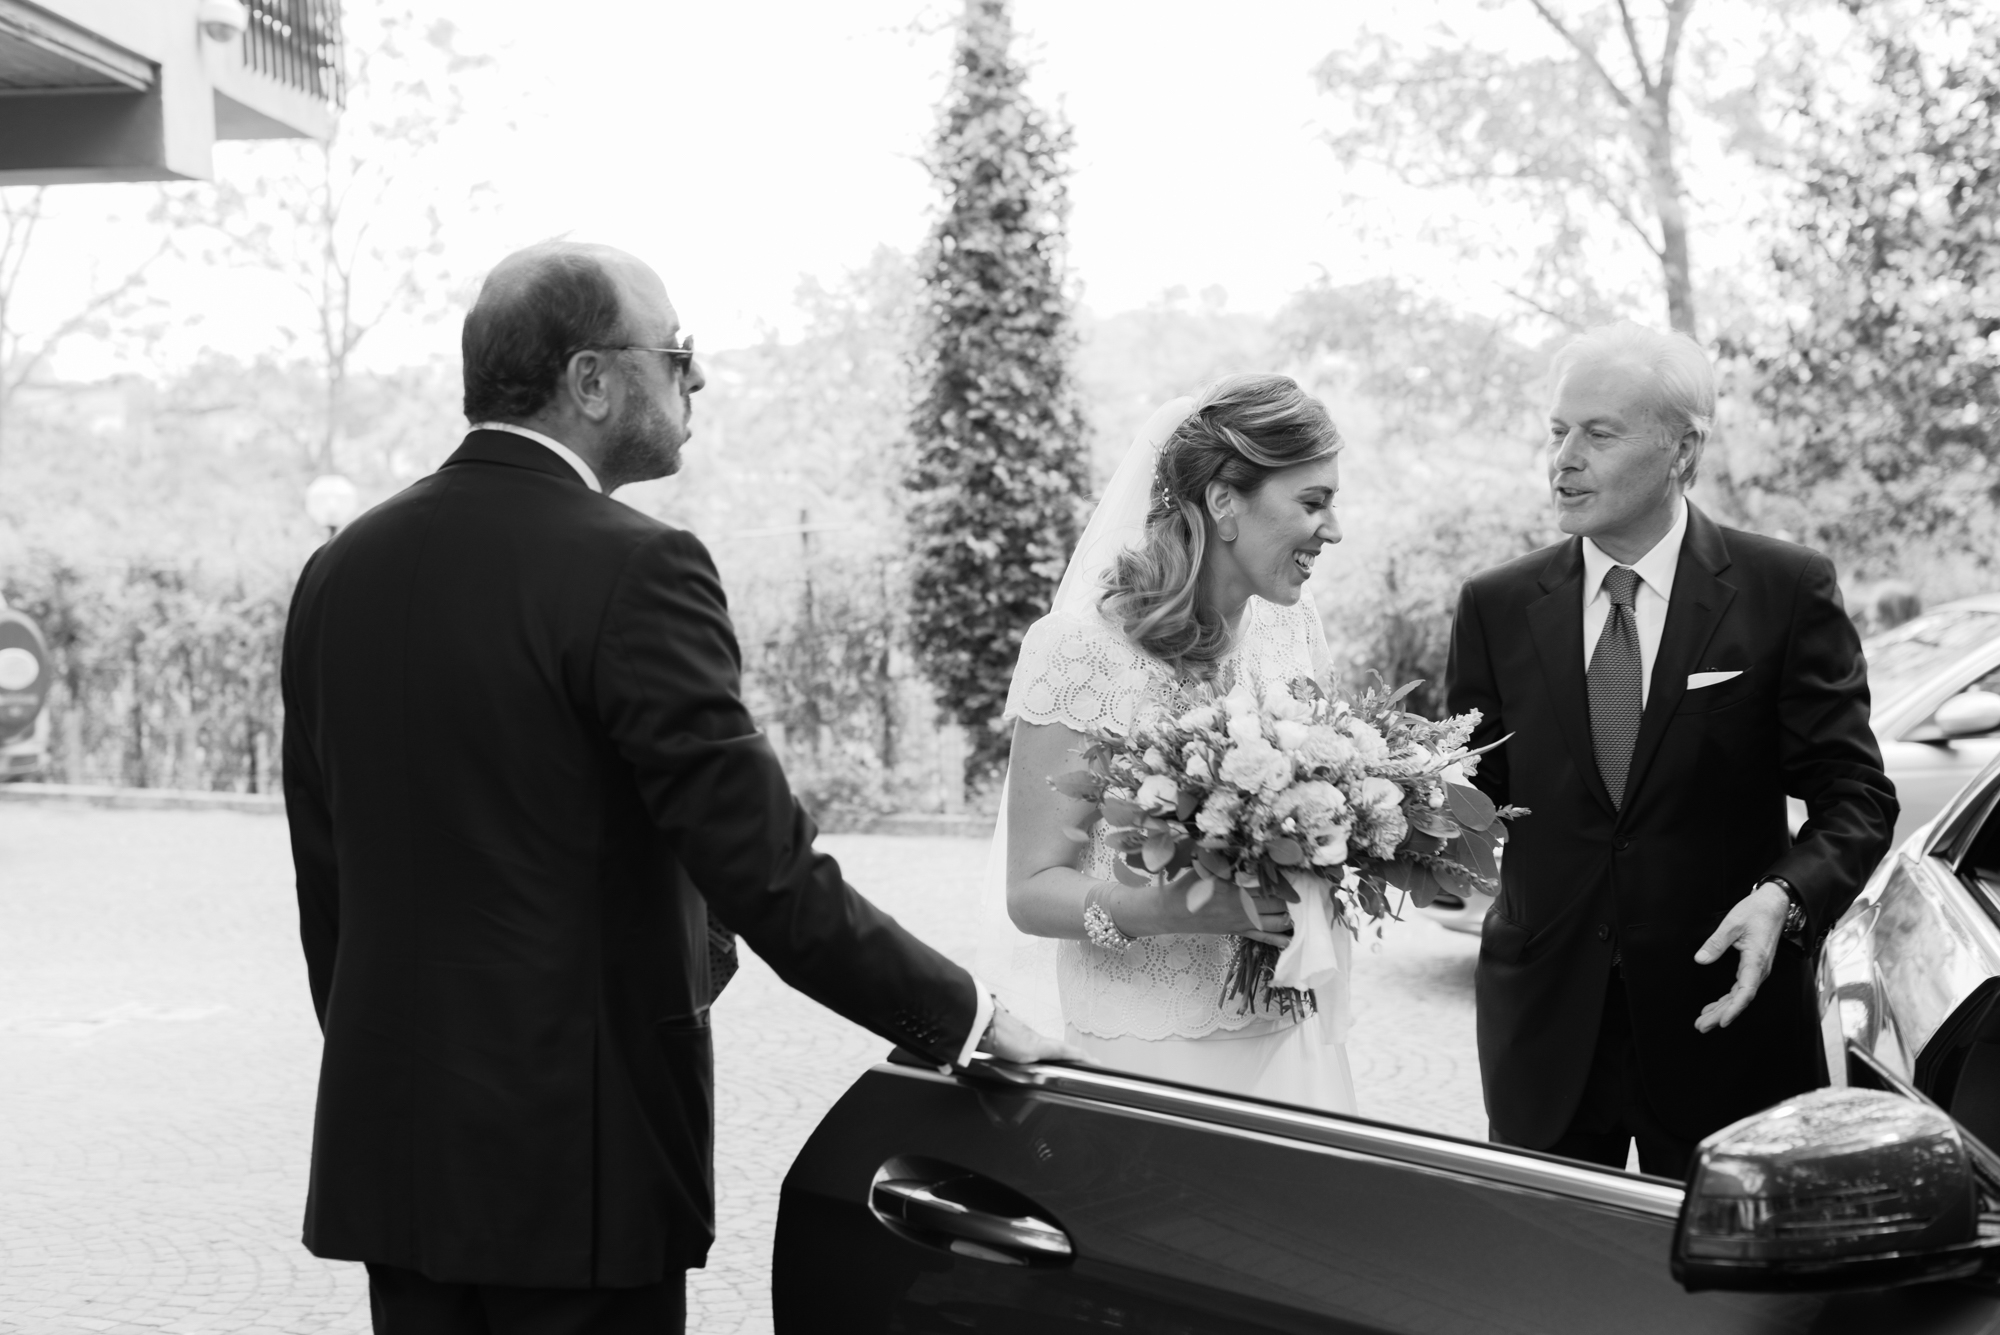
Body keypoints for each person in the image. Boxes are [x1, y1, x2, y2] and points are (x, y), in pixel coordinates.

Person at [281, 240, 1072, 1335]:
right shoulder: (634, 568)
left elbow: (328, 886)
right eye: (679, 353)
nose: (694, 381)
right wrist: (965, 1019)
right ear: (590, 380)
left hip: (401, 1160)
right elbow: (763, 871)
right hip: (577, 1173)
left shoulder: (341, 569)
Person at [1446, 322, 1897, 1179]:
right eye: (1556, 431)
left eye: (1598, 433)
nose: (1564, 458)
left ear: (1682, 447)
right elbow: (1468, 795)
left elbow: (1855, 795)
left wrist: (1786, 897)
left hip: (1724, 1025)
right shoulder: (1495, 605)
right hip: (1544, 1033)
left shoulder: (1783, 589)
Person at [991, 374, 1356, 1112]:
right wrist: (1172, 909)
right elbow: (1032, 893)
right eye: (1312, 503)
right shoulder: (1078, 650)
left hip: (1288, 1027)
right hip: (1151, 1047)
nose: (1333, 529)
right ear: (1225, 501)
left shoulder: (1295, 627)